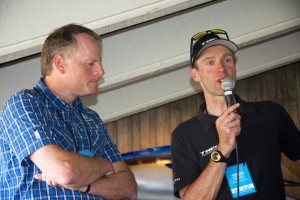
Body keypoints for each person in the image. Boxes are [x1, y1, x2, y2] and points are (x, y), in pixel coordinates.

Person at [0, 24, 137, 200]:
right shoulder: (24, 104)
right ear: (60, 64)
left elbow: (128, 189)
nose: (101, 71)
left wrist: (85, 184)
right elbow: (65, 171)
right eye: (90, 63)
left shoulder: (92, 119)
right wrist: (103, 165)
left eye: (100, 62)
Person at [171, 29, 300, 199]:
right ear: (195, 75)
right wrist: (222, 149)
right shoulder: (184, 135)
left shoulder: (270, 113)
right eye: (210, 62)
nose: (221, 68)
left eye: (227, 60)